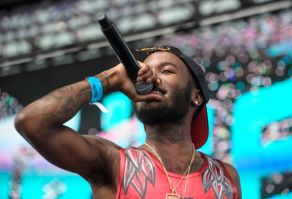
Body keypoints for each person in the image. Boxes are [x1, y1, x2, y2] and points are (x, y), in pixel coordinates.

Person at [15, 46, 242, 199]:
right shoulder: (112, 162)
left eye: (166, 71)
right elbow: (32, 122)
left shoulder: (225, 177)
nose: (151, 79)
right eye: (145, 73)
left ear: (196, 96)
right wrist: (109, 79)